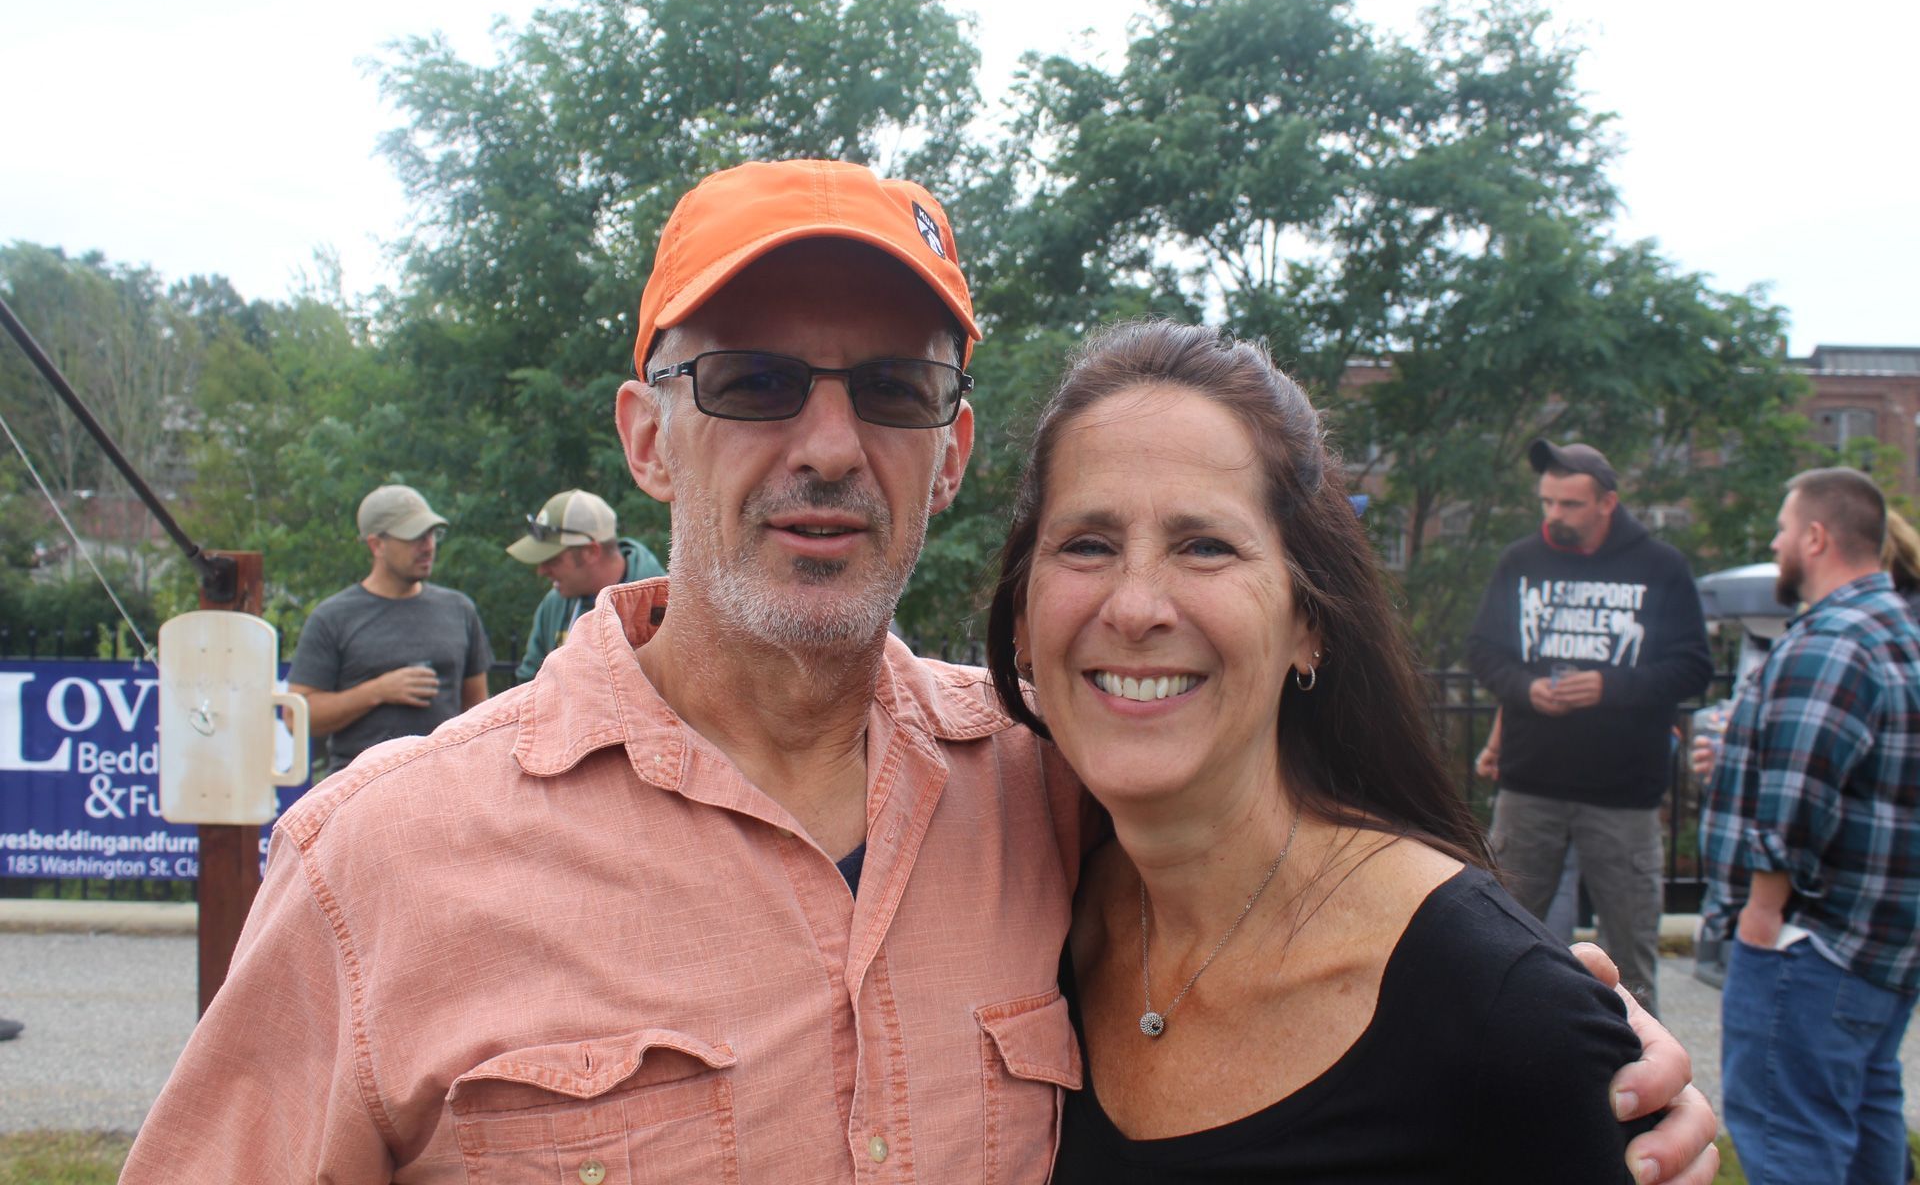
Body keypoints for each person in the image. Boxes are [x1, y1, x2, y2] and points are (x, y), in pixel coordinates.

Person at [121, 160, 1714, 1183]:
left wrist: (1566, 1044)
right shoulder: (386, 860)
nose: (827, 444)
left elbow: (1312, 928)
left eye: (890, 387)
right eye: (750, 380)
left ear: (946, 455)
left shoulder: (1050, 792)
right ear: (646, 429)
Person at [986, 321, 1696, 1182]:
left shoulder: (1499, 1008)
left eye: (1205, 545)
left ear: (1309, 625)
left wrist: (1558, 1026)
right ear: (1024, 622)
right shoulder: (1028, 901)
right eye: (1087, 545)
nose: (1136, 607)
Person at [1701, 467, 1920, 1184]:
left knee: (1786, 1134)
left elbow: (1801, 792)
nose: (1777, 543)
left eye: (1783, 530)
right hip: (1880, 941)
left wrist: (1763, 912)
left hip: (1806, 943)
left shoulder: (1828, 640)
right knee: (1864, 1124)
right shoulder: (1898, 630)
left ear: (1816, 537)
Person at [1466, 439, 1713, 1016]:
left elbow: (1695, 667)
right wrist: (1525, 688)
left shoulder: (1660, 568)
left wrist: (1610, 687)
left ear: (1607, 502)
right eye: (1547, 503)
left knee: (1629, 953)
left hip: (1623, 798)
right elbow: (1482, 651)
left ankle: (1640, 1072)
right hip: (1529, 789)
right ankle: (1502, 1053)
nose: (1554, 516)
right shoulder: (1520, 561)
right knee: (1498, 936)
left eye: (1570, 504)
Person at [286, 484, 493, 770]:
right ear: (376, 545)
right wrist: (378, 691)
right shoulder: (333, 617)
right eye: (415, 537)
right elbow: (295, 717)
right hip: (360, 791)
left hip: (443, 790)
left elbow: (478, 713)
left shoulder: (459, 610)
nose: (429, 546)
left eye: (432, 534)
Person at [506, 487, 664, 681]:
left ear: (591, 552)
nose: (541, 570)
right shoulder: (554, 603)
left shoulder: (661, 607)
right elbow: (528, 685)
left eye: (552, 560)